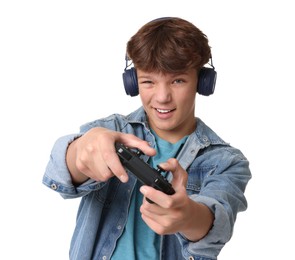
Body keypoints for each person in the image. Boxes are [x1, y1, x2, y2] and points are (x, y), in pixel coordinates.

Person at [43, 17, 251, 260]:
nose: (162, 97)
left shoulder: (226, 161)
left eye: (178, 80)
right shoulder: (108, 130)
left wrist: (187, 215)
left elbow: (218, 222)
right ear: (133, 83)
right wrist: (82, 151)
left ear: (202, 82)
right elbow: (64, 169)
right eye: (148, 81)